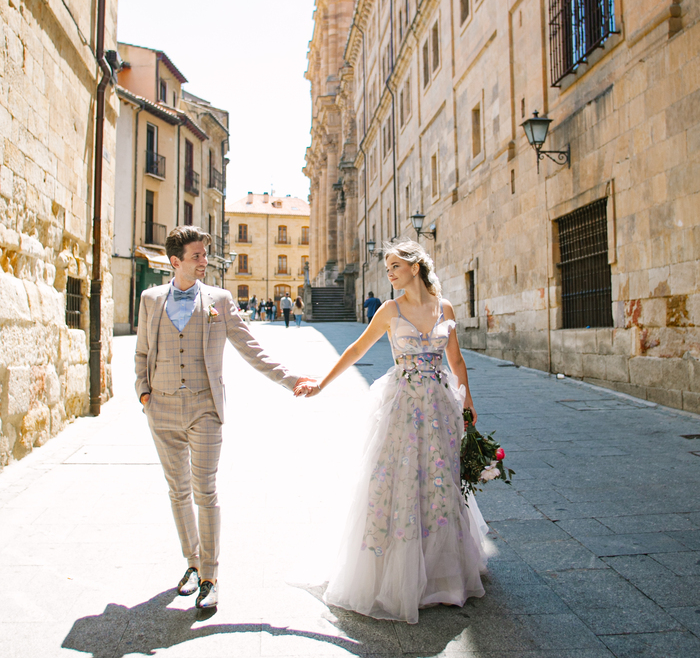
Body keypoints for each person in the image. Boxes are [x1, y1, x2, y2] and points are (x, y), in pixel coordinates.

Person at [295, 241, 488, 624]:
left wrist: (468, 404)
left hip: (440, 407)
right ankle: (394, 574)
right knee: (395, 481)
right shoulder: (389, 310)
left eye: (396, 266)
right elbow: (355, 349)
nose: (390, 272)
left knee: (439, 482)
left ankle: (441, 575)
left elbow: (458, 359)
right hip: (401, 407)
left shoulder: (444, 308)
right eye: (387, 268)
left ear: (415, 268)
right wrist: (321, 383)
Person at [135, 226, 312, 611]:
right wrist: (143, 393)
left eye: (205, 254)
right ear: (175, 261)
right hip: (161, 408)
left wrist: (292, 379)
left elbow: (252, 348)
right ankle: (192, 564)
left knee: (205, 490)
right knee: (177, 491)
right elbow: (141, 352)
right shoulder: (150, 300)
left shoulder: (220, 300)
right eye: (197, 255)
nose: (204, 261)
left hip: (205, 408)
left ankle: (211, 576)